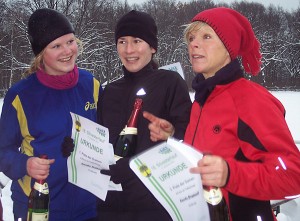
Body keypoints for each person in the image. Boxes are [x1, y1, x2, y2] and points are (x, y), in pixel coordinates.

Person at [143, 7, 300, 221]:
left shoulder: (251, 99)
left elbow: (293, 174)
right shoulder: (203, 98)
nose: (194, 44)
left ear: (229, 48)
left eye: (206, 36)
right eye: (191, 38)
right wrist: (174, 136)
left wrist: (231, 174)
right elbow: (212, 150)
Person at [0, 8, 101, 220]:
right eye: (56, 46)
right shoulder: (21, 95)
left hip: (88, 206)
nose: (67, 51)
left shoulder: (90, 84)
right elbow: (3, 151)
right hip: (39, 206)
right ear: (41, 54)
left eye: (70, 41)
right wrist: (25, 164)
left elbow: (107, 136)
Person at [96, 10, 192, 221]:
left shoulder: (170, 83)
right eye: (122, 41)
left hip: (154, 204)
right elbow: (101, 141)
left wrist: (173, 133)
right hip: (110, 206)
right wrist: (77, 149)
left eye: (137, 41)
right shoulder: (110, 91)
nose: (128, 50)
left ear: (152, 47)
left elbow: (188, 140)